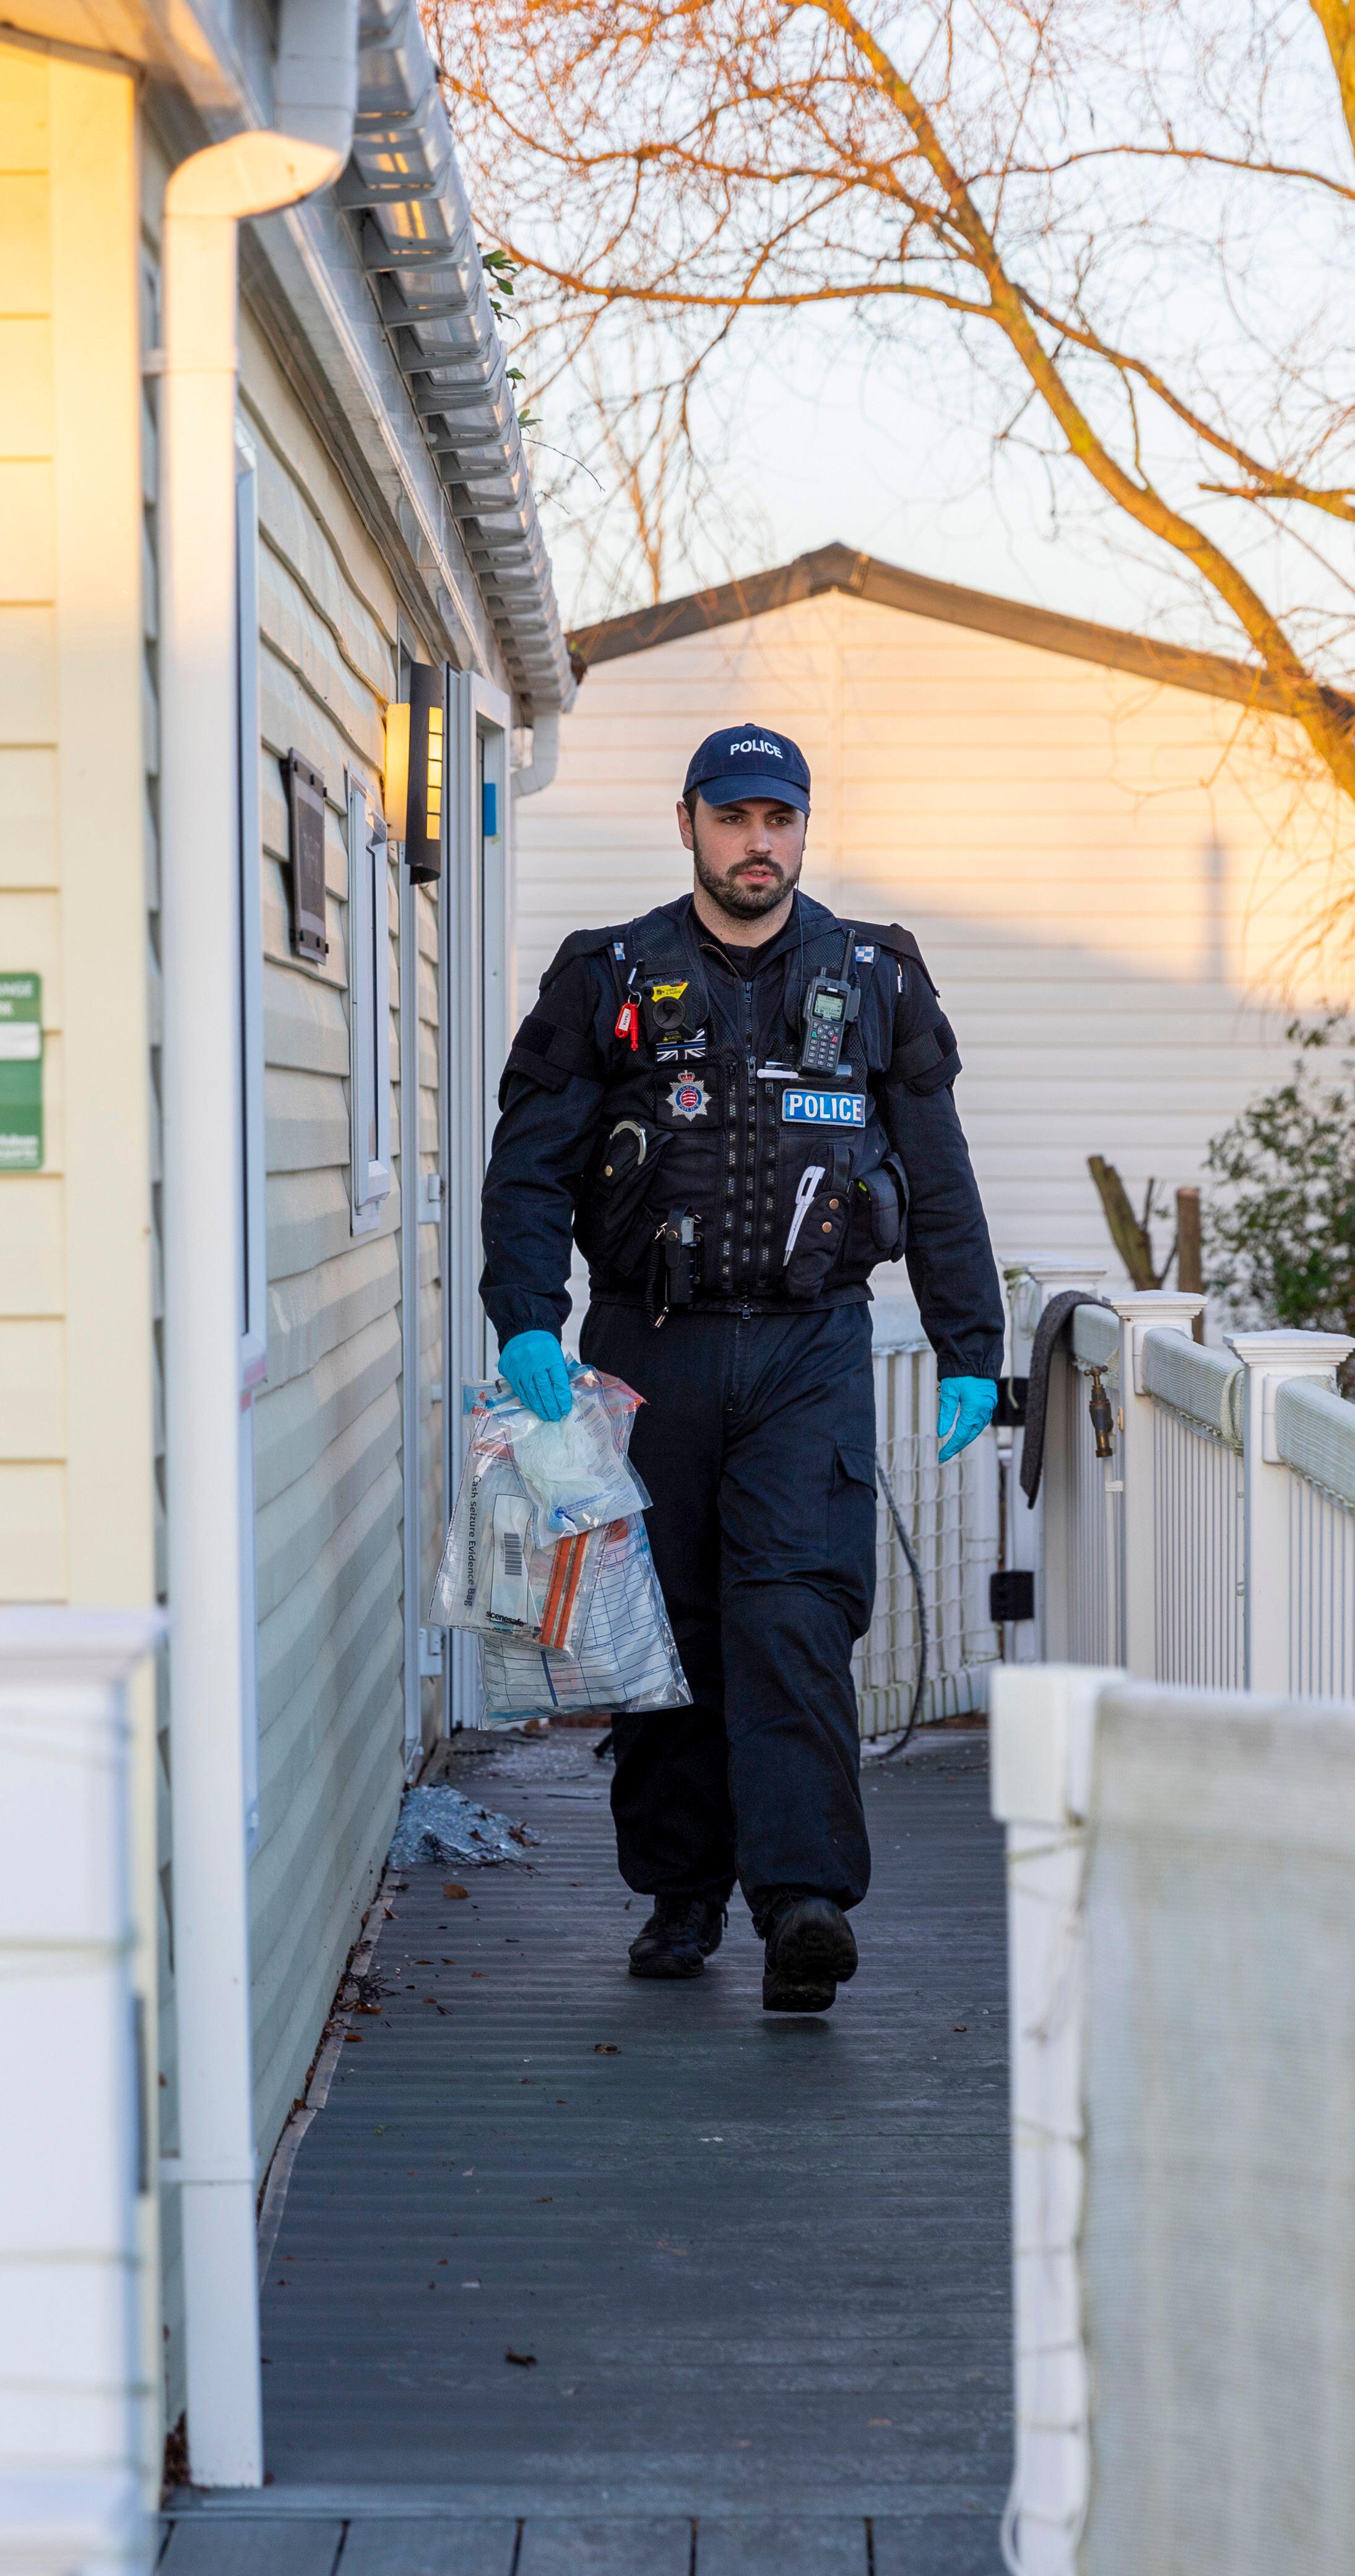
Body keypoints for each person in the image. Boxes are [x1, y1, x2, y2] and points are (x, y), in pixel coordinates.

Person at [482, 722, 1003, 2014]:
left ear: (804, 829)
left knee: (795, 1614)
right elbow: (530, 1167)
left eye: (779, 819)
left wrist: (970, 1344)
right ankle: (680, 1892)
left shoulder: (874, 978)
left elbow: (937, 1177)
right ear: (690, 825)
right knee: (666, 1633)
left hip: (809, 1349)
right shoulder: (607, 975)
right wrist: (526, 1318)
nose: (757, 842)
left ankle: (804, 1902)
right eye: (734, 818)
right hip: (648, 1349)